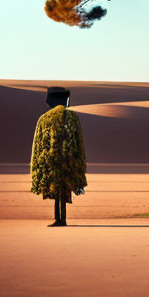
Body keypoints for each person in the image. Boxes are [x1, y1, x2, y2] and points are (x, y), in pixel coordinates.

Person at [30, 87, 87, 227]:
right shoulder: (72, 117)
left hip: (52, 161)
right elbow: (78, 140)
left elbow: (39, 143)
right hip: (68, 160)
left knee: (57, 191)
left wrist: (40, 162)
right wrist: (78, 160)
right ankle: (61, 218)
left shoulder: (44, 119)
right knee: (62, 190)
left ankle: (59, 219)